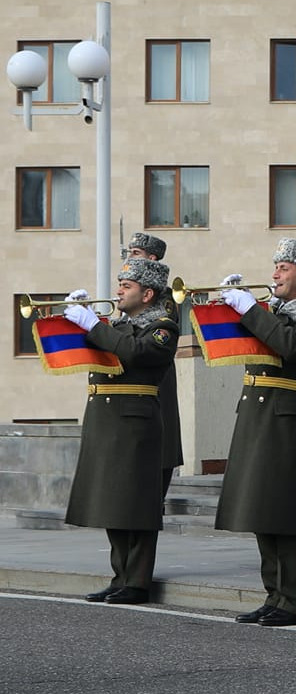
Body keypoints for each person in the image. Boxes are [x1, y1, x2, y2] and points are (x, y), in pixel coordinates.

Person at [215, 241, 296, 628]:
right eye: (276, 267)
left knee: (283, 512)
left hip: (287, 416)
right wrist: (227, 308)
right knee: (262, 509)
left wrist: (250, 310)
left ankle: (293, 599)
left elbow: (293, 345)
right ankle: (274, 594)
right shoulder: (274, 312)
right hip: (257, 414)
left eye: (283, 268)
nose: (274, 275)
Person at [62, 257, 181, 605]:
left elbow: (134, 351)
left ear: (147, 294)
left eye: (126, 287)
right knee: (113, 502)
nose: (118, 291)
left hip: (136, 422)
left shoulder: (162, 326)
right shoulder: (115, 325)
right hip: (108, 421)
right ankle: (120, 576)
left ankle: (137, 580)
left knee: (138, 505)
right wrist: (76, 319)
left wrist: (93, 324)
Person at [124, 233, 183, 493]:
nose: (129, 258)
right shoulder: (132, 294)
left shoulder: (165, 299)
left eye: (135, 253)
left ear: (152, 258)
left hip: (156, 378)